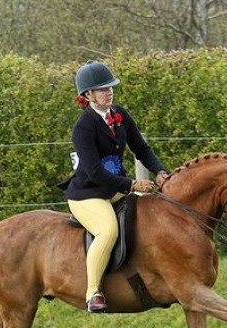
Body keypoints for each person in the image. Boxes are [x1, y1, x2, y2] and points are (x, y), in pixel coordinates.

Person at [60, 60, 169, 313]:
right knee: (108, 230)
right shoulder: (83, 127)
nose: (108, 92)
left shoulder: (119, 114)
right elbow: (95, 173)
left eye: (110, 87)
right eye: (102, 89)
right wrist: (133, 184)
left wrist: (160, 170)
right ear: (87, 95)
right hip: (88, 195)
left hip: (116, 188)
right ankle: (93, 293)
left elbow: (141, 148)